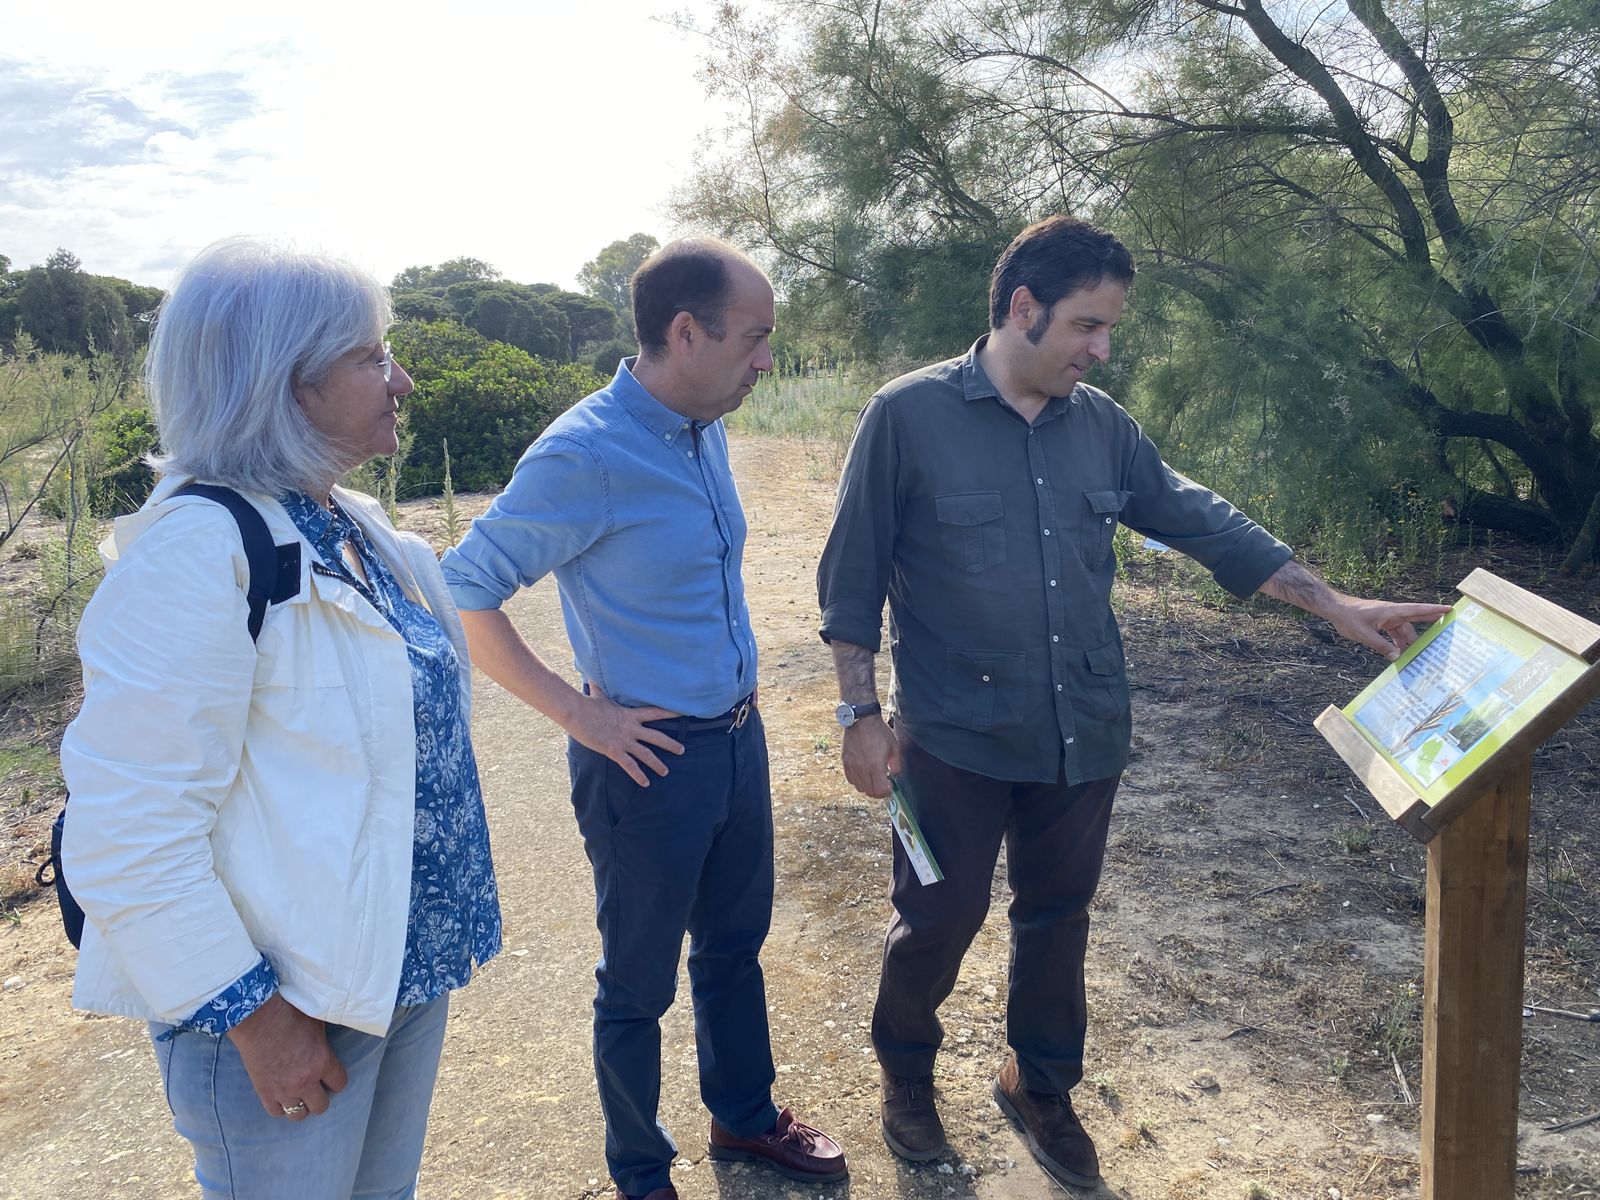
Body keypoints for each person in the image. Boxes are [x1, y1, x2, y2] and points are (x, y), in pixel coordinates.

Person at [816, 215, 1450, 1189]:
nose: (1102, 348)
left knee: (1057, 916)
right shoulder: (906, 416)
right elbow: (851, 577)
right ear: (1022, 308)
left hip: (1082, 729)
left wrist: (1334, 604)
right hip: (951, 735)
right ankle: (906, 1073)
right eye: (1087, 325)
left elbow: (1203, 522)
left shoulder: (1102, 427)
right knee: (938, 914)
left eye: (1109, 328)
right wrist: (858, 715)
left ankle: (1039, 1085)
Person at [61, 237, 501, 1200]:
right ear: (287, 383)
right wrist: (256, 1020)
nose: (403, 381)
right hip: (283, 1005)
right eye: (372, 357)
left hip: (391, 971)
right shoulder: (196, 553)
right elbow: (129, 830)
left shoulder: (345, 526)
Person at [439, 239, 847, 1200]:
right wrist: (578, 715)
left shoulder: (702, 426)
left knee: (734, 948)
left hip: (735, 741)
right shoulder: (585, 453)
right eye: (753, 339)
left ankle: (744, 1119)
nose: (766, 361)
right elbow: (462, 588)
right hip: (647, 763)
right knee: (637, 984)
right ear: (685, 332)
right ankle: (640, 1170)